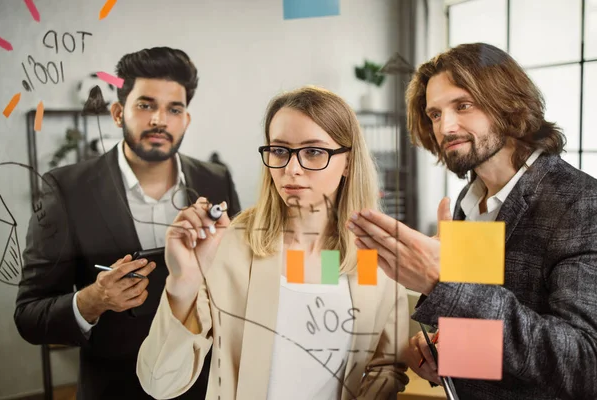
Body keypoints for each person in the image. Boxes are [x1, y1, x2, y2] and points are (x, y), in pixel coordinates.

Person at [347, 42, 597, 399]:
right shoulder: (469, 202)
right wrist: (441, 351)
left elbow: (584, 365)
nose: (446, 126)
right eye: (434, 114)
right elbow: (490, 334)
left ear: (508, 104)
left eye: (463, 106)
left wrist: (442, 282)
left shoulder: (582, 203)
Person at [136, 86, 411, 399]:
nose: (292, 169)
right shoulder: (231, 246)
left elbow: (386, 367)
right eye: (280, 151)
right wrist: (183, 283)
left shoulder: (378, 256)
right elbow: (159, 383)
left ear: (348, 161)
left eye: (313, 152)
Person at [14, 47, 241, 400]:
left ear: (186, 119)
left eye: (174, 109)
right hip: (115, 388)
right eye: (146, 105)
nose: (159, 120)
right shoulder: (66, 189)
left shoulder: (216, 181)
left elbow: (237, 278)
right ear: (119, 113)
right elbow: (28, 315)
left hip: (203, 383)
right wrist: (92, 300)